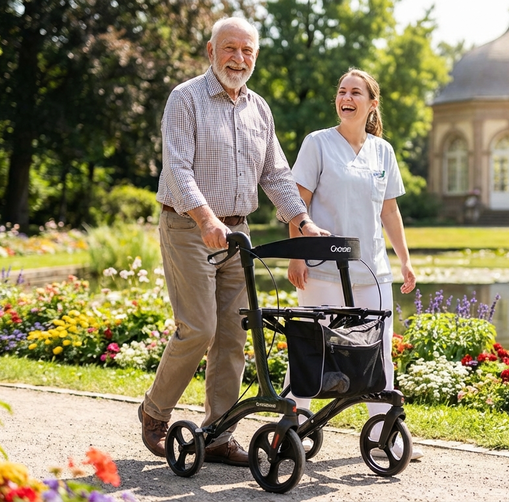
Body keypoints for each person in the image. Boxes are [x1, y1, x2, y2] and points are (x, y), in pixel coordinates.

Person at [140, 16, 328, 467]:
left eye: (247, 51)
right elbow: (177, 169)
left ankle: (219, 431)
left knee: (233, 334)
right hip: (189, 227)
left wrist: (303, 221)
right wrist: (204, 217)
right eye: (230, 49)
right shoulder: (185, 99)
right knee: (200, 327)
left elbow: (276, 174)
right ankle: (154, 411)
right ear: (211, 51)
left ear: (255, 57)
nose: (238, 58)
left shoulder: (259, 109)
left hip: (237, 233)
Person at [285, 68, 423, 460]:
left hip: (372, 272)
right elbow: (298, 202)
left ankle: (386, 436)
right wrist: (296, 255)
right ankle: (292, 427)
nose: (346, 97)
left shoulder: (384, 151)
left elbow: (389, 211)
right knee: (312, 350)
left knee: (379, 354)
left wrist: (405, 261)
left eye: (355, 92)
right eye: (342, 91)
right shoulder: (318, 144)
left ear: (371, 103)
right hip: (321, 270)